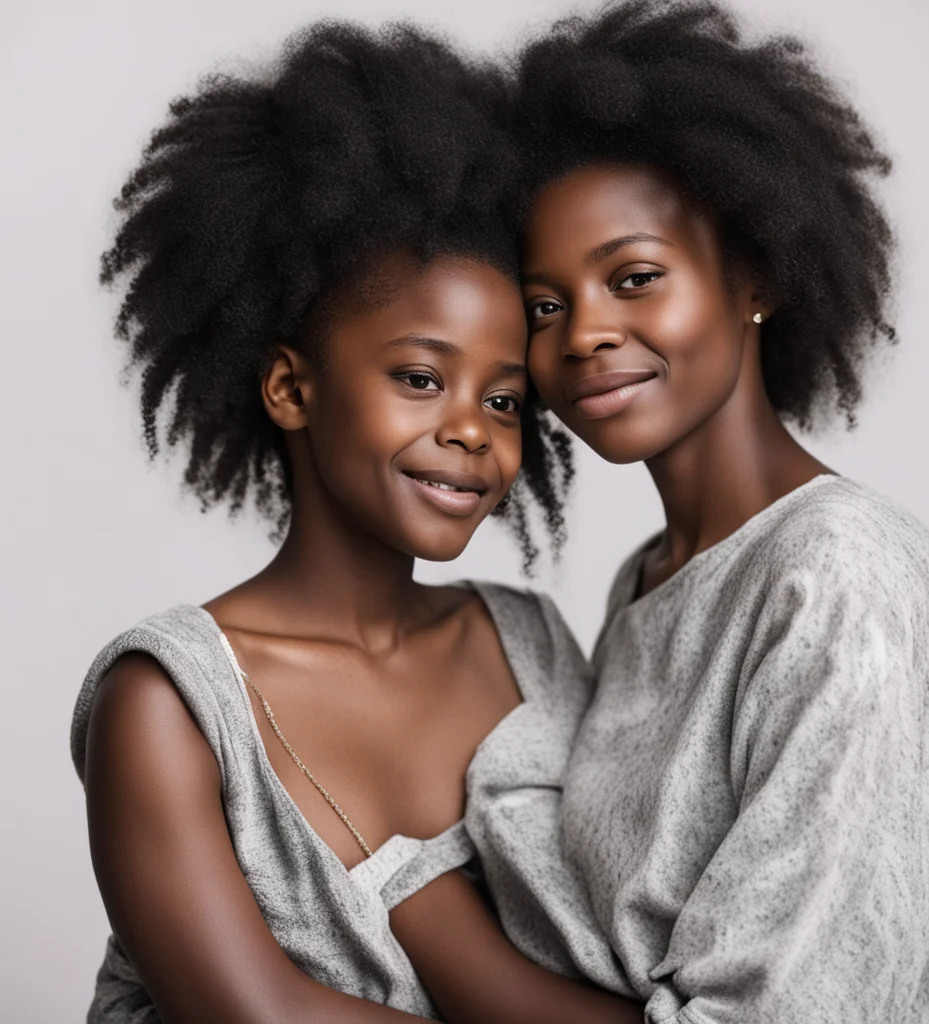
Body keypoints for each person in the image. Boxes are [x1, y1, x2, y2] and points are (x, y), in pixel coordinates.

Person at [404, 3, 929, 1023]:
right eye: (544, 306)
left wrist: (429, 918)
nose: (584, 333)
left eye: (634, 278)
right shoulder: (651, 578)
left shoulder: (844, 573)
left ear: (752, 275)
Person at [71, 20, 642, 1024]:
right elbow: (261, 1016)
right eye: (420, 378)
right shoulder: (165, 703)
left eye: (504, 400)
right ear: (292, 387)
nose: (470, 431)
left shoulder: (528, 648)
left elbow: (622, 955)